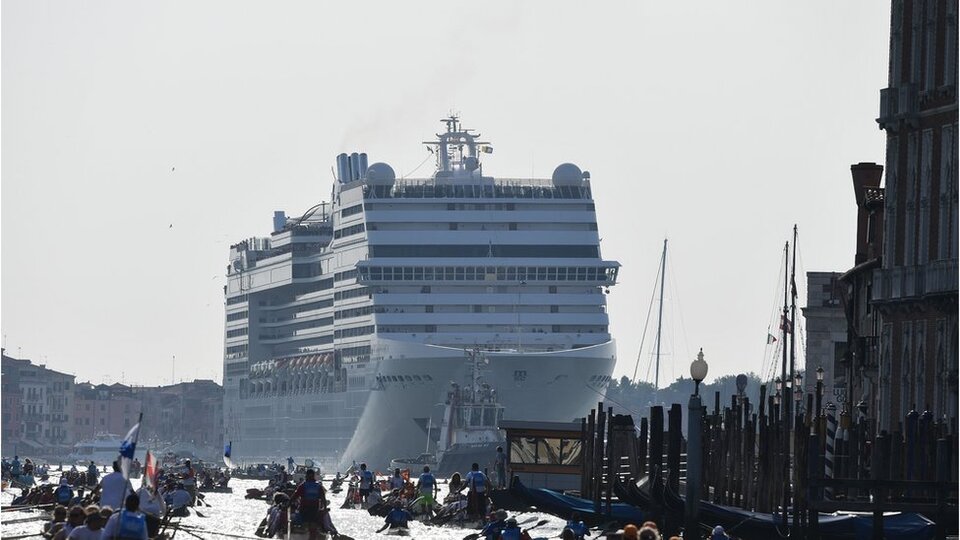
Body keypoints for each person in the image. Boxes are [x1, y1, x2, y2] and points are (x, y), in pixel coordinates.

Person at [291, 469, 326, 540]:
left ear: (306, 476)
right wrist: (324, 508)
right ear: (314, 476)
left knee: (302, 521)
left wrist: (288, 503)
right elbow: (323, 498)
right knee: (313, 523)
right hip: (314, 509)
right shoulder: (318, 486)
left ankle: (303, 531)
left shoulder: (303, 485)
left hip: (304, 508)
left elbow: (295, 496)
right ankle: (312, 536)